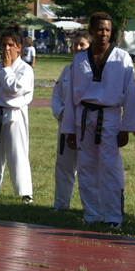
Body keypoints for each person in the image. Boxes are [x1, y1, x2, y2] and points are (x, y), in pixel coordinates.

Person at [63, 12, 135, 229]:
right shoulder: (79, 59)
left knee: (110, 167)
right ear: (91, 31)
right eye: (99, 29)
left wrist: (126, 127)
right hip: (84, 117)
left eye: (107, 30)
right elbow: (71, 96)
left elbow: (130, 94)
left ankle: (113, 215)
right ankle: (92, 214)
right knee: (86, 166)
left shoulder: (122, 58)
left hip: (110, 117)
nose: (104, 33)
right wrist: (69, 129)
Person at [0, 25, 35, 201]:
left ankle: (25, 193)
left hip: (14, 115)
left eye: (10, 45)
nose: (6, 49)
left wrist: (6, 69)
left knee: (17, 153)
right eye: (4, 44)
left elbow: (14, 89)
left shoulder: (25, 69)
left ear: (19, 47)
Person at [51, 30, 91, 211]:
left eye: (82, 44)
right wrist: (61, 113)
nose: (78, 48)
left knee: (87, 168)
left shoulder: (94, 70)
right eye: (76, 44)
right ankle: (61, 203)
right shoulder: (67, 70)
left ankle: (90, 207)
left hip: (86, 126)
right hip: (65, 124)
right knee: (64, 165)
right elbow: (56, 94)